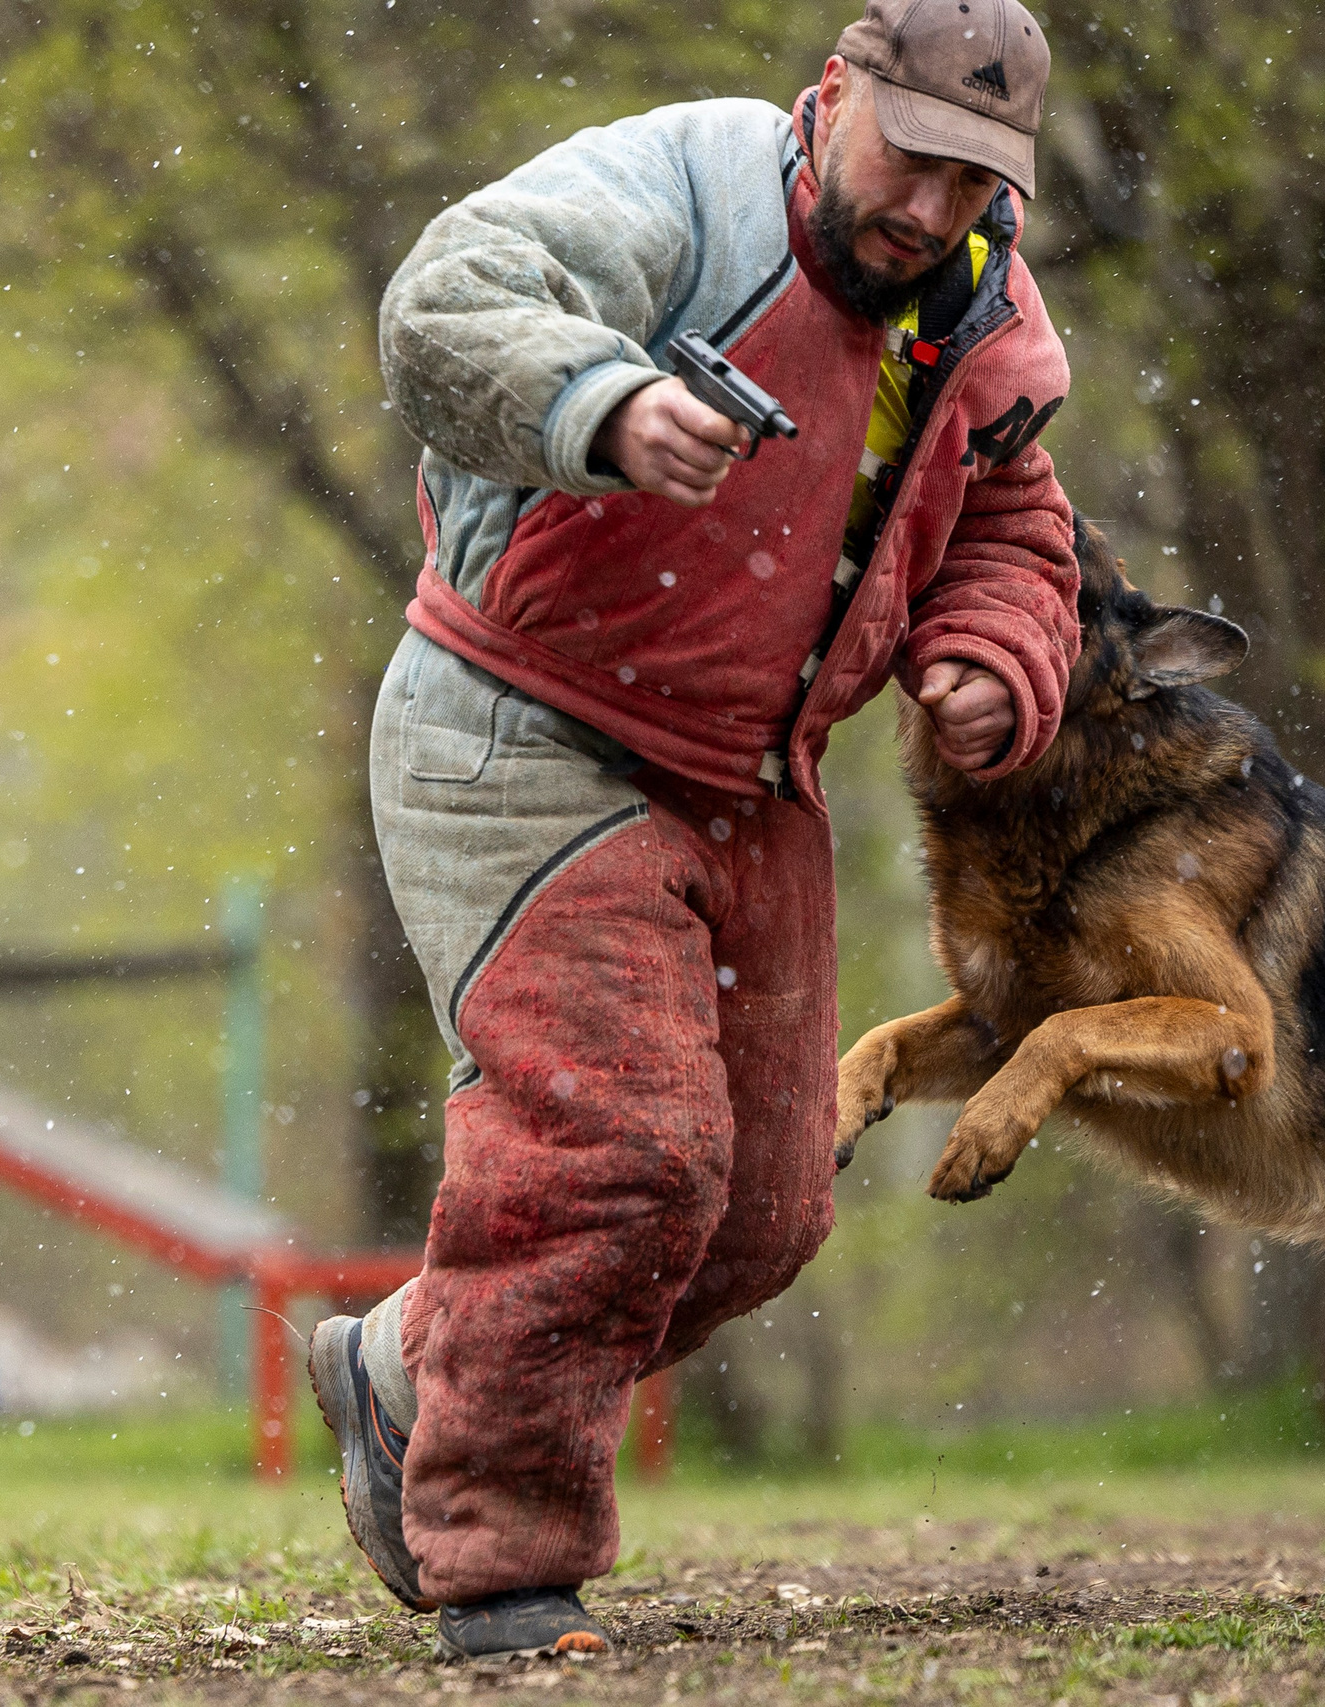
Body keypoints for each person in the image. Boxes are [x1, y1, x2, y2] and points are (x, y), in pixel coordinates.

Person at [311, 0, 1078, 1660]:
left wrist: (990, 655)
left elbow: (1013, 525)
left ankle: (409, 1365)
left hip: (754, 779)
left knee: (760, 1214)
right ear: (833, 94)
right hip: (523, 726)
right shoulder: (682, 187)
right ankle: (502, 1564)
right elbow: (444, 307)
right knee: (624, 1154)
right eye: (910, 159)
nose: (931, 209)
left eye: (973, 182)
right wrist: (601, 401)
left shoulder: (984, 321)